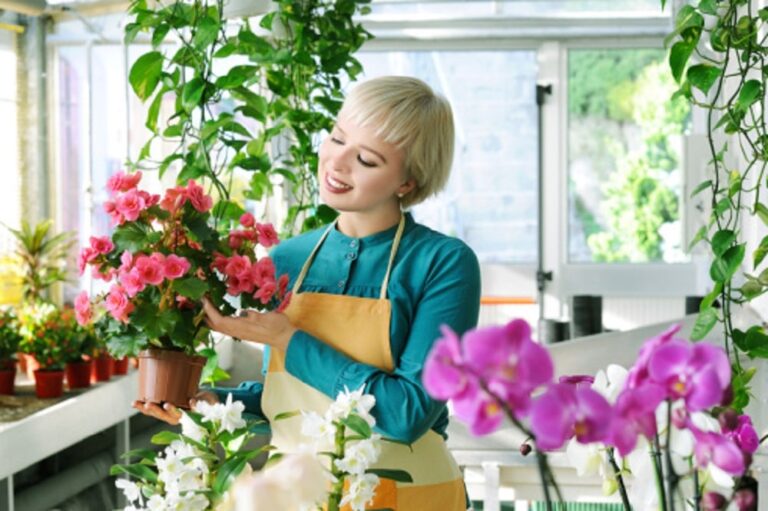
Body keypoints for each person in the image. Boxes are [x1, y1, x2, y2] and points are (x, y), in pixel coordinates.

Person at [136, 75, 481, 510]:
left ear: (407, 182)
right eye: (337, 138)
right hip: (294, 497)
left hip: (410, 495)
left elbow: (407, 414)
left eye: (367, 160)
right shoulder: (288, 260)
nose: (337, 163)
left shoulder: (443, 263)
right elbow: (286, 394)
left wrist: (287, 338)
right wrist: (211, 402)